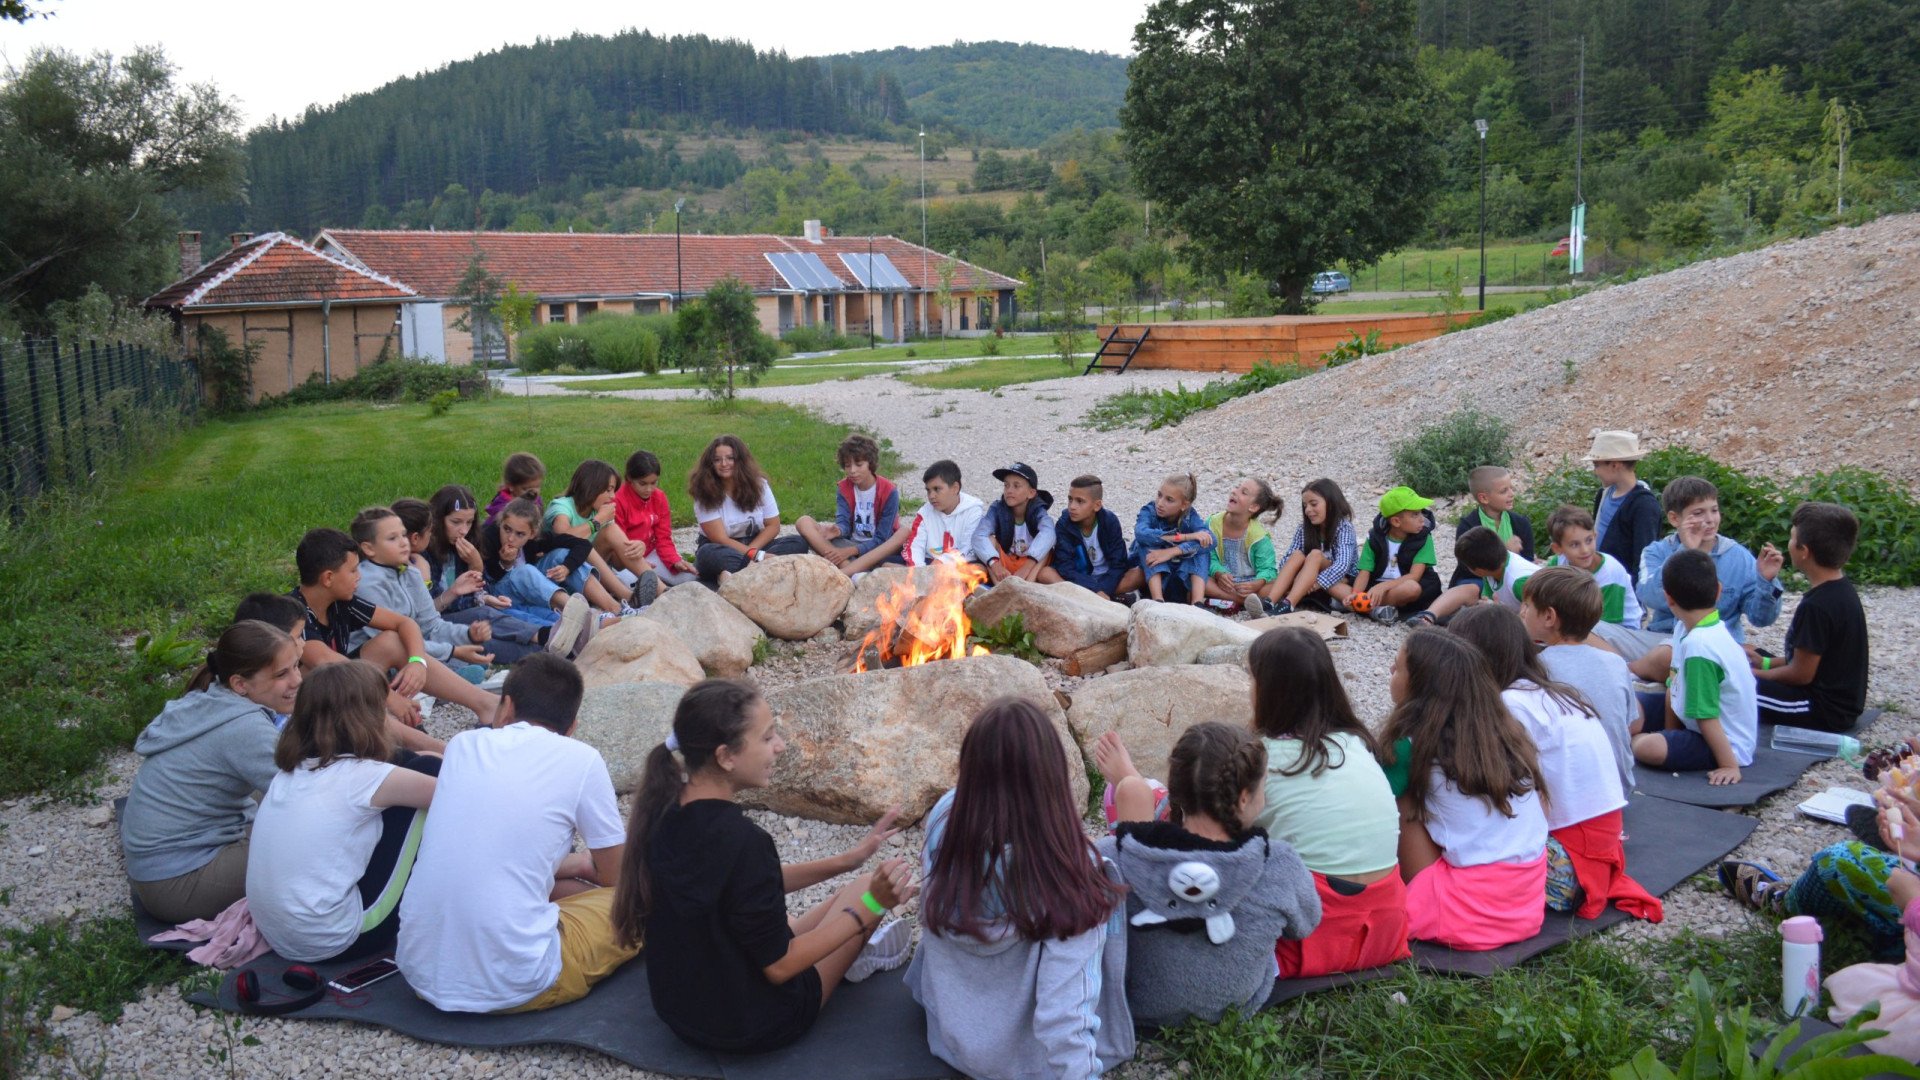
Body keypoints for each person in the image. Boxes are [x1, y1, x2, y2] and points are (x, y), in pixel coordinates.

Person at [613, 680, 917, 1052]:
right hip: (755, 1022)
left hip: (681, 1014)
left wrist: (844, 861)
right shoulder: (745, 842)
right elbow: (780, 967)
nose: (780, 746)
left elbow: (744, 885)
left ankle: (850, 932)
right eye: (767, 737)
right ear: (726, 756)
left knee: (837, 895)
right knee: (864, 891)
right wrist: (871, 907)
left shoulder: (660, 812)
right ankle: (862, 950)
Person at [397, 654, 638, 1012]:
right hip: (520, 982)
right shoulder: (582, 760)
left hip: (418, 972)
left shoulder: (463, 746)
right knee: (640, 904)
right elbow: (617, 877)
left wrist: (579, 867)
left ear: (505, 706)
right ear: (572, 726)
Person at [908, 698, 1134, 1079]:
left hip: (950, 1036)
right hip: (1027, 1062)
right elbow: (1065, 1015)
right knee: (1105, 876)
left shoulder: (944, 817)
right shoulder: (1069, 871)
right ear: (1052, 778)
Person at [1092, 723, 1319, 1028]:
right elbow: (1305, 925)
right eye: (1263, 785)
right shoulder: (1279, 864)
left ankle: (1135, 795)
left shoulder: (1111, 856)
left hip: (1137, 1009)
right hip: (1235, 1008)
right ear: (1243, 797)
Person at [1448, 606, 1659, 923]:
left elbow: (1517, 801)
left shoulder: (1510, 707)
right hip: (1597, 849)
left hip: (1569, 866)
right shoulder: (1549, 692)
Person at [245, 662, 440, 963]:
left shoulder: (290, 773)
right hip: (339, 939)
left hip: (281, 936)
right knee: (432, 773)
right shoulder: (362, 777)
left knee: (416, 766)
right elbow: (459, 795)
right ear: (369, 718)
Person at [1245, 627, 1408, 977]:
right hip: (1384, 928)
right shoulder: (1355, 744)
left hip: (1311, 935)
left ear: (1270, 689)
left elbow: (1218, 837)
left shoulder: (1260, 758)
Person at [121, 620, 301, 924]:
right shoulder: (243, 727)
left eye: (296, 666)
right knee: (308, 841)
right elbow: (311, 794)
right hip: (176, 885)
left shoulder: (210, 698)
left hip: (156, 865)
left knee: (269, 795)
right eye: (282, 674)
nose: (297, 680)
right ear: (240, 684)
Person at [1382, 630, 1550, 951]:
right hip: (1526, 905)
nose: (1391, 673)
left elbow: (1369, 806)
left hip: (1466, 913)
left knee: (1399, 799)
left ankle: (1414, 895)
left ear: (1420, 686)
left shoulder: (1412, 747)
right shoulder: (1508, 737)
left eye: (1396, 667)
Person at [289, 527, 478, 744]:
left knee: (391, 641)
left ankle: (486, 705)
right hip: (309, 704)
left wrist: (417, 662)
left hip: (343, 685)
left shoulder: (342, 602)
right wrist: (389, 697)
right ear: (328, 578)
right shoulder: (294, 613)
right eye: (353, 571)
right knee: (364, 702)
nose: (359, 577)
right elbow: (327, 663)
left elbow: (404, 623)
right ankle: (438, 751)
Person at [1630, 476, 1783, 680]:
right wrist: (1686, 552)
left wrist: (1766, 581)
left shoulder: (1737, 556)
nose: (1710, 520)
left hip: (1715, 643)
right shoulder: (1656, 551)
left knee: (1672, 655)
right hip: (1662, 636)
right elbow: (1649, 596)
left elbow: (1761, 619)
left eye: (1714, 510)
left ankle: (1630, 670)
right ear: (1675, 519)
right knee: (1596, 632)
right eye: (1698, 513)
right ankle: (1638, 668)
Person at [1631, 549, 1758, 786]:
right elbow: (1673, 687)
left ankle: (1630, 740)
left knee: (1647, 748)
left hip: (1724, 741)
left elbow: (1706, 715)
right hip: (1691, 719)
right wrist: (1672, 734)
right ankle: (1637, 734)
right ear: (1719, 590)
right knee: (1628, 702)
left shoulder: (1701, 646)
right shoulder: (1685, 628)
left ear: (1668, 599)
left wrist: (1729, 765)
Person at [1520, 566, 1639, 798]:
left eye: (1527, 606)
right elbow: (1630, 723)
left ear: (1548, 617)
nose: (1522, 612)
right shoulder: (1615, 663)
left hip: (1574, 798)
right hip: (1619, 789)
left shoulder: (1537, 669)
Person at [1750, 502, 1869, 733]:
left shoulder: (1817, 606)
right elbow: (1810, 660)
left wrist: (1754, 674)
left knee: (1726, 687)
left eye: (1793, 539)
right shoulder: (1841, 590)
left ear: (1804, 551)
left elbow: (1801, 674)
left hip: (1822, 710)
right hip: (1841, 705)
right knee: (1751, 656)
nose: (1789, 545)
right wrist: (1764, 662)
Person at [348, 506, 495, 679]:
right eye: (392, 538)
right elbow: (395, 644)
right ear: (369, 549)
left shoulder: (411, 573)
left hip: (412, 652)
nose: (404, 542)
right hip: (370, 667)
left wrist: (468, 633)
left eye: (403, 535)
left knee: (474, 661)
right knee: (464, 667)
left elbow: (432, 626)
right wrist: (453, 651)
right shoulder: (366, 583)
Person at [412, 485, 543, 666]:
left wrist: (480, 580)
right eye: (456, 522)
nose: (463, 530)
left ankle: (552, 646)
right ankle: (547, 635)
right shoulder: (423, 555)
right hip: (438, 625)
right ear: (437, 520)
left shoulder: (464, 545)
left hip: (465, 622)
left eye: (469, 522)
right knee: (484, 617)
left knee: (512, 640)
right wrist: (459, 592)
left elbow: (476, 591)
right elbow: (426, 615)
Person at [475, 496, 600, 658]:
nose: (511, 538)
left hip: (528, 597)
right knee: (525, 573)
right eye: (506, 529)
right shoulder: (489, 537)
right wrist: (505, 563)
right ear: (500, 523)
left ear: (532, 534)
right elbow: (489, 577)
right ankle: (582, 613)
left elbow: (582, 544)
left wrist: (567, 567)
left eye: (520, 534)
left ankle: (609, 611)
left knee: (560, 556)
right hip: (499, 596)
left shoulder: (535, 541)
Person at [689, 435, 810, 583]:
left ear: (740, 460)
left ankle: (735, 573)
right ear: (710, 464)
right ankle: (768, 569)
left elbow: (773, 525)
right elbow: (719, 538)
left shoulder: (759, 485)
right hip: (722, 548)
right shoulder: (704, 492)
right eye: (717, 460)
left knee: (797, 542)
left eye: (730, 458)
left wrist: (754, 553)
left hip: (756, 542)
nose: (724, 463)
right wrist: (757, 556)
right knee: (707, 554)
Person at [795, 434, 909, 577]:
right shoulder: (844, 488)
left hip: (878, 549)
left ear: (870, 464)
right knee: (803, 522)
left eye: (859, 464)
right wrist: (838, 531)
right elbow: (844, 523)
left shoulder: (889, 491)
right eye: (848, 466)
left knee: (903, 533)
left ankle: (849, 568)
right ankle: (851, 567)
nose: (852, 471)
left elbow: (882, 538)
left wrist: (848, 552)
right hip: (850, 543)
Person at [543, 459, 644, 614]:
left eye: (614, 491)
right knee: (584, 545)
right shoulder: (562, 506)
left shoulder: (599, 511)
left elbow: (617, 564)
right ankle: (628, 597)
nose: (612, 496)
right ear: (591, 487)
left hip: (592, 575)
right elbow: (561, 538)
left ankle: (660, 589)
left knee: (611, 530)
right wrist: (597, 522)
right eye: (608, 490)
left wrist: (636, 547)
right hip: (560, 572)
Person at [1543, 505, 1644, 657]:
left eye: (1589, 540)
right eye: (1575, 544)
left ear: (1595, 536)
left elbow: (1607, 624)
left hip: (1619, 632)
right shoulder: (1558, 564)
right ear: (1558, 548)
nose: (1585, 550)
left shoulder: (1609, 574)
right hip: (1580, 623)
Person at [1263, 478, 1358, 615]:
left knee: (1315, 555)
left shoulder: (1344, 527)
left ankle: (1288, 604)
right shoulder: (1303, 528)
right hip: (1309, 575)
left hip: (1343, 578)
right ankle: (1269, 602)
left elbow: (1342, 565)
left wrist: (1316, 583)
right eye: (1305, 505)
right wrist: (1297, 577)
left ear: (1331, 503)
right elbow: (1288, 559)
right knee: (1297, 554)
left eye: (1313, 504)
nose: (1308, 510)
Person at [1349, 487, 1441, 624]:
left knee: (1411, 588)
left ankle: (1363, 605)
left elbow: (1414, 576)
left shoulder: (1423, 538)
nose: (1422, 519)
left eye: (1421, 512)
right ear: (1396, 522)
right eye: (1415, 515)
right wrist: (1355, 593)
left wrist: (1383, 587)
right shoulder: (1375, 537)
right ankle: (1362, 603)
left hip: (1403, 585)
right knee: (1339, 584)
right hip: (1376, 584)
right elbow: (1364, 571)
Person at [610, 450, 698, 590]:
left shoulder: (660, 498)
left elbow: (663, 538)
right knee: (631, 584)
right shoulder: (618, 500)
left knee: (690, 578)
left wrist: (674, 561)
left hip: (651, 554)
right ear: (629, 479)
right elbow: (618, 544)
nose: (649, 489)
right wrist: (640, 564)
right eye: (643, 484)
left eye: (654, 483)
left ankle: (654, 582)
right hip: (627, 558)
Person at [1419, 525, 1539, 625]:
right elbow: (1487, 598)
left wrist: (1499, 613)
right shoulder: (1495, 565)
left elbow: (1539, 620)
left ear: (1477, 570)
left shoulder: (1520, 582)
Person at [1585, 431, 1661, 586]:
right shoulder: (1604, 494)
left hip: (1621, 587)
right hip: (1600, 581)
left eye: (1596, 465)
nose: (1595, 471)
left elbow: (1642, 558)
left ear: (1614, 465)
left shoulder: (1643, 505)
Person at [1125, 473, 1212, 606]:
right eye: (1159, 495)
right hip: (1152, 576)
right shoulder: (1150, 510)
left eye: (1169, 500)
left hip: (1179, 577)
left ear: (1184, 505)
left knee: (1202, 547)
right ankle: (1157, 601)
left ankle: (1197, 604)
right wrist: (1185, 537)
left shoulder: (1190, 516)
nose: (1160, 503)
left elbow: (1211, 540)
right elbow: (1141, 533)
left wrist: (1172, 551)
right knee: (1146, 543)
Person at [1447, 466, 1536, 595]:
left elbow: (1527, 561)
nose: (1511, 494)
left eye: (1512, 488)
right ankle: (1430, 614)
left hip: (1511, 578)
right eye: (1504, 491)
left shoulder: (1521, 523)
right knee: (1469, 589)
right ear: (1484, 498)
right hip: (1477, 579)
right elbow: (1466, 565)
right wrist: (1507, 552)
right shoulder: (1468, 525)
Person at [1203, 477, 1282, 616]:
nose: (1234, 492)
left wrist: (1256, 583)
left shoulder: (1259, 537)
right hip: (1221, 581)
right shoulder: (1212, 524)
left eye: (1243, 492)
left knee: (1275, 584)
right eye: (1236, 487)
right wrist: (1219, 573)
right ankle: (1243, 601)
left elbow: (1268, 569)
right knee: (1196, 576)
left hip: (1248, 585)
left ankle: (1238, 599)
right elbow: (1208, 557)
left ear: (1253, 507)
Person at [1046, 474, 1129, 598]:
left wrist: (1104, 589)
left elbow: (1119, 563)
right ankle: (1102, 598)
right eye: (1070, 499)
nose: (1072, 506)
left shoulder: (1109, 521)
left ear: (1097, 505)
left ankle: (1084, 597)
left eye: (1080, 501)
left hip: (1106, 578)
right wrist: (1095, 589)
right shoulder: (1064, 524)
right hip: (1079, 579)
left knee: (1138, 574)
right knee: (1046, 573)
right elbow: (1065, 567)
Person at [973, 462, 1057, 584]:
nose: (1009, 490)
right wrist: (995, 564)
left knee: (1047, 548)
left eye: (1016, 486)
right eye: (1006, 486)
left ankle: (1028, 585)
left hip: (1030, 566)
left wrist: (1027, 567)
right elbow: (978, 536)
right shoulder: (998, 509)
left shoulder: (1038, 511)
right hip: (1007, 564)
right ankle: (1000, 586)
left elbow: (1049, 533)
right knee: (989, 540)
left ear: (1031, 493)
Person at [904, 459, 987, 567]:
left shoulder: (973, 510)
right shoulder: (924, 513)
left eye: (937, 489)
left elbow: (968, 548)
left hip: (960, 564)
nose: (931, 496)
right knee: (887, 563)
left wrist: (941, 563)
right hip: (929, 562)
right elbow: (915, 547)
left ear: (955, 488)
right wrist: (920, 572)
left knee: (978, 569)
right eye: (928, 490)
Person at [485, 451, 545, 524]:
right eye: (525, 489)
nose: (533, 492)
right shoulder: (502, 505)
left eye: (537, 486)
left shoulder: (536, 500)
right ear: (511, 486)